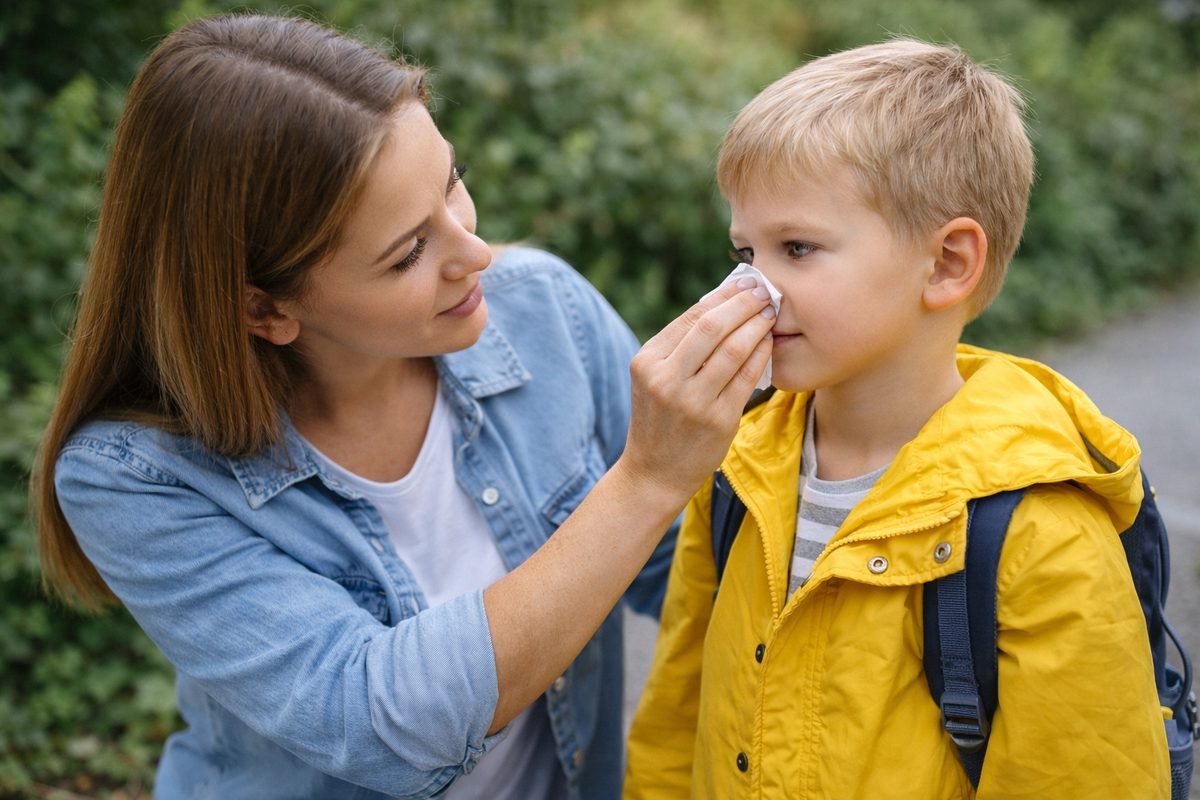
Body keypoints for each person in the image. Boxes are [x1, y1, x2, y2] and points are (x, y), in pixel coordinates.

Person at [30, 13, 778, 800]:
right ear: (265, 311)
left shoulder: (546, 310)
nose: (475, 253)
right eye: (410, 252)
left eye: (452, 183)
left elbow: (695, 577)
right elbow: (379, 723)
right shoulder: (133, 479)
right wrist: (647, 482)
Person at [624, 38, 1170, 798]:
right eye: (746, 251)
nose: (750, 290)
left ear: (947, 263)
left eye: (798, 248)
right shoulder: (732, 470)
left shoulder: (1039, 532)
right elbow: (674, 720)